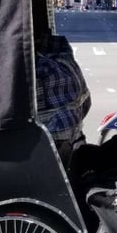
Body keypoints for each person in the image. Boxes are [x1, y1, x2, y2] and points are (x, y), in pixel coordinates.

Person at [35, 14, 91, 166]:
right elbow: (86, 105)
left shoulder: (38, 70)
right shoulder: (63, 58)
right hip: (72, 142)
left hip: (53, 149)